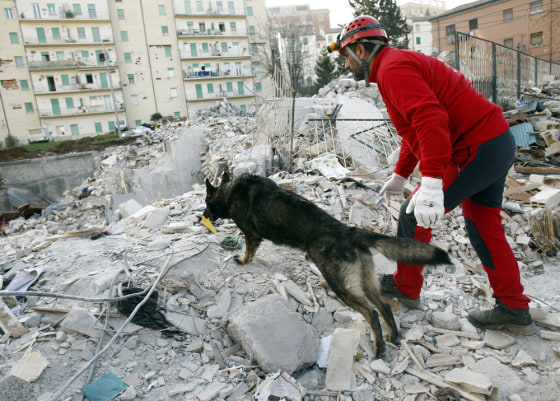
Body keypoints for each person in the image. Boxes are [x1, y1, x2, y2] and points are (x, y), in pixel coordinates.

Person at [327, 15, 536, 335]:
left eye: (346, 56)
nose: (346, 66)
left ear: (362, 51)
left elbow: (430, 120)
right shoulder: (393, 66)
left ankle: (406, 288)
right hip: (493, 143)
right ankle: (513, 308)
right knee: (482, 226)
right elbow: (415, 131)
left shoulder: (393, 70)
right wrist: (400, 175)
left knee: (413, 215)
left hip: (474, 148)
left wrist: (431, 183)